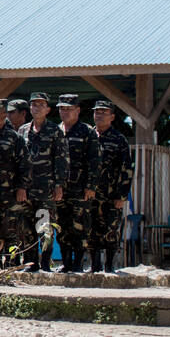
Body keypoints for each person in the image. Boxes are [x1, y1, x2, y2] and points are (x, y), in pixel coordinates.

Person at [19, 92, 68, 271]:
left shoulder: (55, 131)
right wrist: (20, 186)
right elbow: (20, 161)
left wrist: (58, 185)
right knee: (26, 227)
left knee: (45, 227)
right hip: (26, 189)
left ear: (48, 109)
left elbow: (61, 159)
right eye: (33, 104)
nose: (36, 108)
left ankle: (46, 263)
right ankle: (31, 263)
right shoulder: (23, 130)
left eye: (41, 105)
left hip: (46, 189)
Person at [56, 93, 99, 272]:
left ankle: (78, 262)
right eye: (62, 108)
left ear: (78, 110)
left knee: (79, 226)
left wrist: (91, 186)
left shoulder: (87, 131)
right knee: (62, 227)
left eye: (69, 108)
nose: (65, 112)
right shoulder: (56, 131)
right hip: (59, 189)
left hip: (80, 189)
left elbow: (95, 161)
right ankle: (66, 263)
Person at [89, 100, 132, 273]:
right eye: (97, 112)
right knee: (91, 229)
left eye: (103, 112)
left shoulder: (119, 139)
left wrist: (121, 196)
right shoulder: (88, 136)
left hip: (111, 195)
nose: (99, 115)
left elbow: (126, 169)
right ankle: (94, 265)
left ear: (112, 117)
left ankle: (109, 266)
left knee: (111, 229)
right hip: (90, 194)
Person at [0, 99, 27, 263]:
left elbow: (24, 165)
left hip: (9, 194)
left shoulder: (14, 138)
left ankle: (12, 264)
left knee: (11, 231)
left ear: (3, 115)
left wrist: (22, 188)